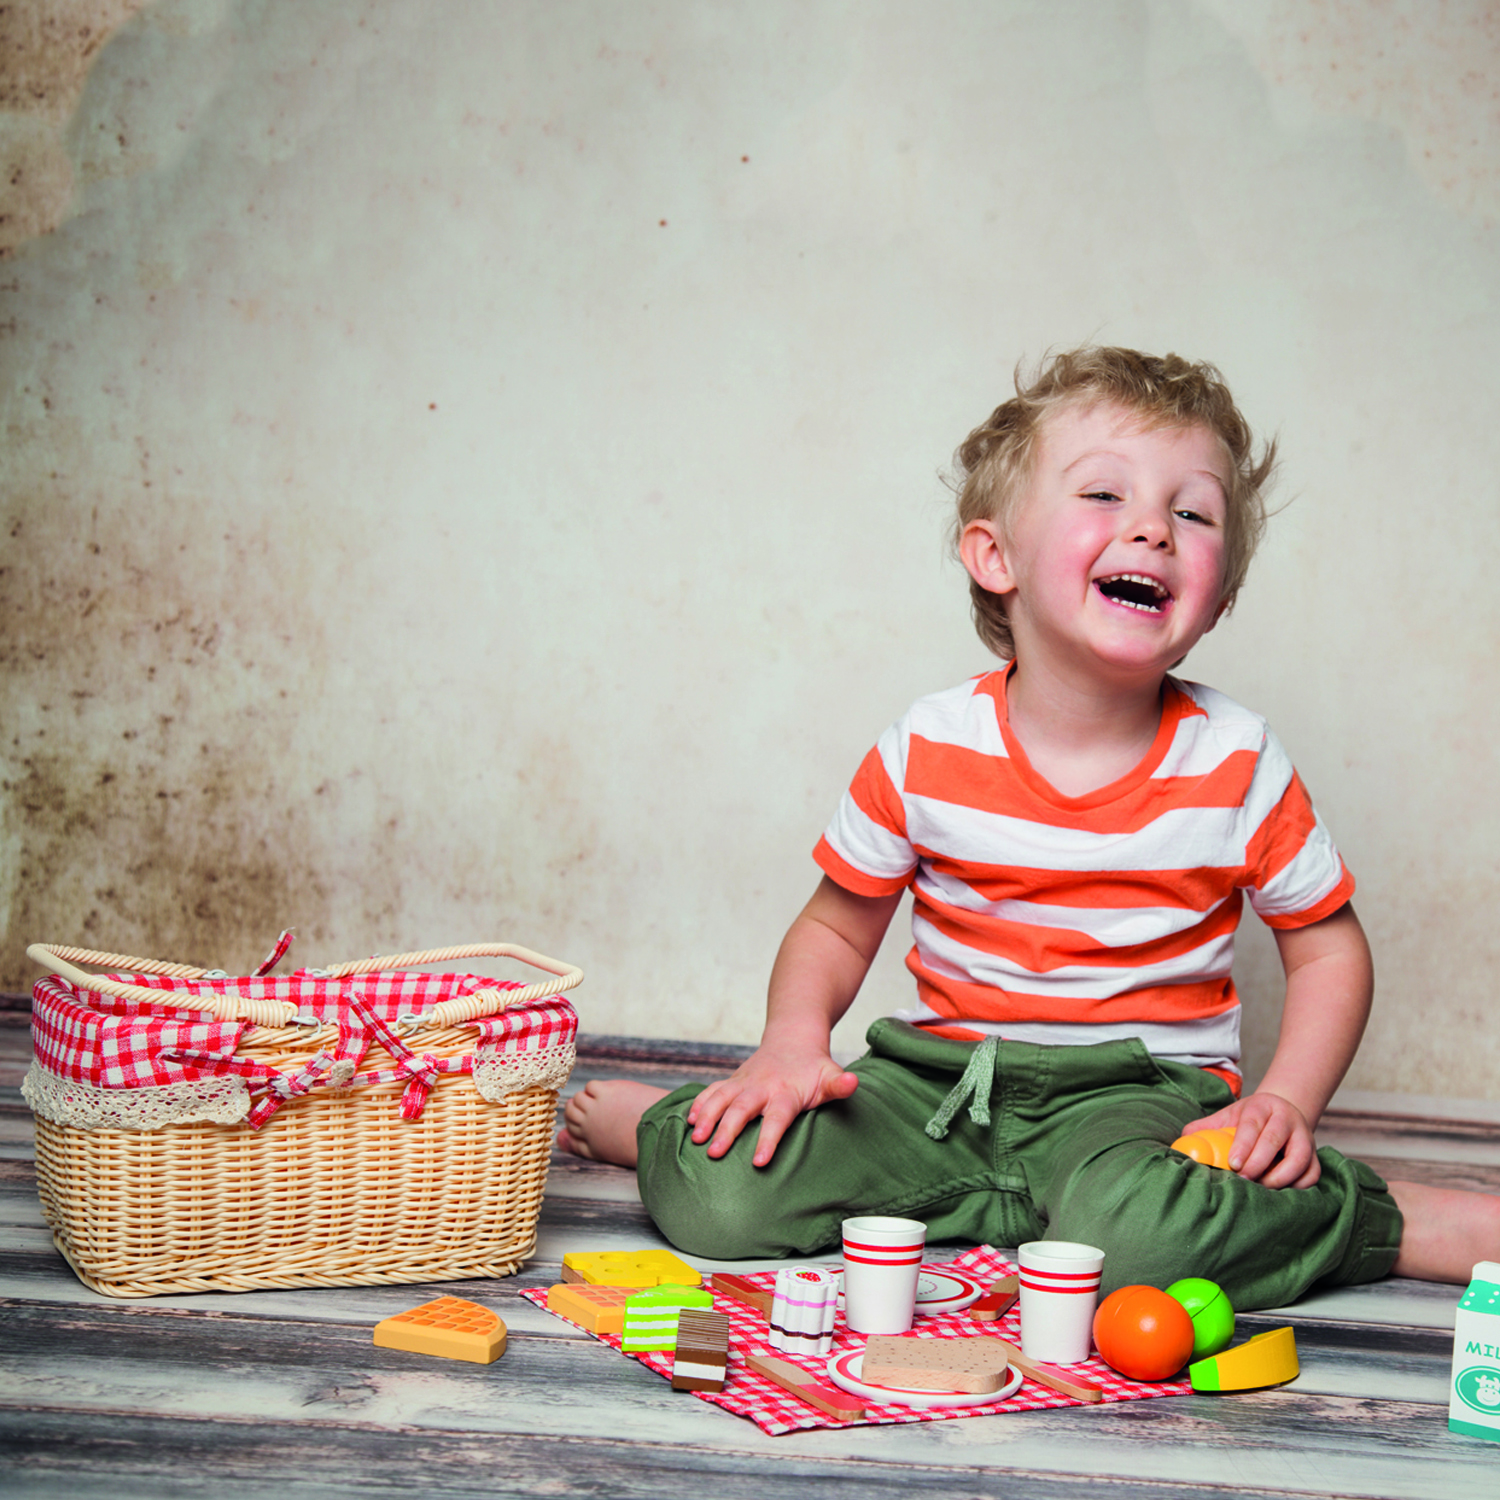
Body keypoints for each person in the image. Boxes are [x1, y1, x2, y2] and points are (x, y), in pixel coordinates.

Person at [559, 346, 1500, 1308]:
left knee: (1135, 1248)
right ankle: (667, 1127)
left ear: (1219, 596)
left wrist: (1284, 1103)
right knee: (719, 1192)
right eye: (1104, 494)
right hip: (939, 1089)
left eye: (1192, 511)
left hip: (1138, 1101)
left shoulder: (1238, 761)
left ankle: (1386, 1217)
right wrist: (792, 1042)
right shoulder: (927, 745)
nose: (1153, 528)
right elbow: (837, 926)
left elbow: (1331, 953)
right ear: (994, 556)